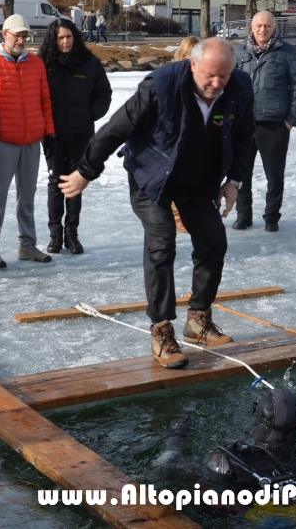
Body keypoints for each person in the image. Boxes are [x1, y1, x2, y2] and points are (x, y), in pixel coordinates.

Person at [59, 38, 254, 369]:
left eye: (223, 75)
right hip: (151, 178)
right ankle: (162, 330)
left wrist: (233, 181)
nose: (216, 83)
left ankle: (198, 320)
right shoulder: (161, 86)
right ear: (193, 64)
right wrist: (84, 172)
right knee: (162, 239)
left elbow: (245, 134)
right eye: (209, 75)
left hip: (197, 182)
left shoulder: (238, 86)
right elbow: (115, 129)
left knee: (213, 241)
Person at [0, 14, 55, 269]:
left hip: (31, 140)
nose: (21, 39)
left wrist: (49, 133)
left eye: (24, 35)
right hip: (3, 140)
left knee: (27, 195)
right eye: (16, 34)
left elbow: (44, 101)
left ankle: (27, 245)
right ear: (4, 34)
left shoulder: (36, 64)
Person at [39, 19, 112, 255]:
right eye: (60, 38)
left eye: (69, 37)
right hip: (53, 134)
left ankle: (71, 234)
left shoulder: (89, 63)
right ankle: (54, 235)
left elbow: (104, 94)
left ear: (75, 37)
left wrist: (90, 113)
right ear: (53, 39)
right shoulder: (43, 64)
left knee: (75, 182)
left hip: (80, 133)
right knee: (55, 183)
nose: (65, 41)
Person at [233, 10, 296, 232]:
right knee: (240, 174)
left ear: (274, 28)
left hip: (274, 125)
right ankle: (243, 216)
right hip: (244, 125)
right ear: (251, 27)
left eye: (267, 26)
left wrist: (291, 120)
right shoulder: (240, 51)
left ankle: (271, 217)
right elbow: (231, 86)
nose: (263, 29)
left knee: (274, 175)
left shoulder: (286, 52)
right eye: (259, 26)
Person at [169, 34, 201, 234]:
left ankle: (190, 213)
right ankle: (175, 216)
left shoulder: (204, 79)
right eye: (188, 53)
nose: (191, 57)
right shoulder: (171, 77)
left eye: (196, 53)